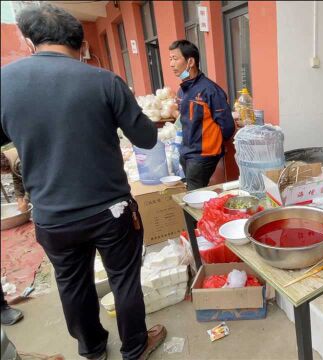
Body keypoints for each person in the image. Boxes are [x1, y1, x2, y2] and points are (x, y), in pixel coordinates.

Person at [1, 4, 166, 359]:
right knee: (123, 278)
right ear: (80, 45)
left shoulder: (4, 83)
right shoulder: (103, 80)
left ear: (31, 42)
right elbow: (147, 138)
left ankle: (92, 349)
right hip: (111, 210)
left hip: (52, 216)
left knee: (72, 285)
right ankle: (135, 348)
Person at [169, 40, 235, 191]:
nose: (171, 64)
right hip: (186, 152)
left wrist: (213, 144)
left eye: (175, 58)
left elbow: (227, 127)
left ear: (190, 61)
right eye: (170, 59)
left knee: (194, 198)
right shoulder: (182, 91)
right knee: (194, 193)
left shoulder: (210, 90)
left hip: (202, 156)